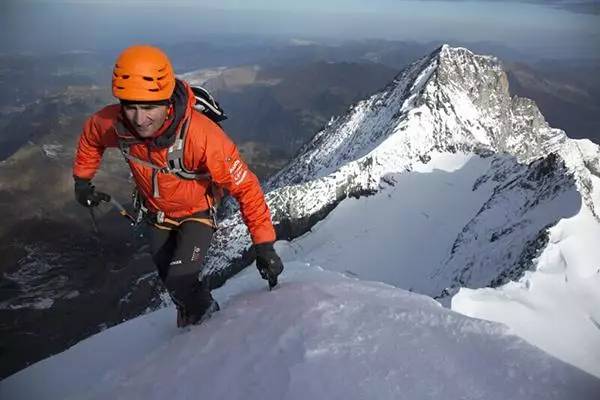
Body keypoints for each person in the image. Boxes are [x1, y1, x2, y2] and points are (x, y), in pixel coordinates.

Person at [72, 45, 284, 327]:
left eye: (149, 107)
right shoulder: (117, 124)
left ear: (167, 101)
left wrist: (264, 244)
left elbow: (246, 187)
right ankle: (190, 318)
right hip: (156, 215)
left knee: (180, 278)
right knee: (171, 284)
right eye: (130, 106)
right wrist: (82, 179)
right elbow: (91, 136)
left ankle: (211, 327)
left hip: (197, 214)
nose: (139, 118)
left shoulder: (202, 137)